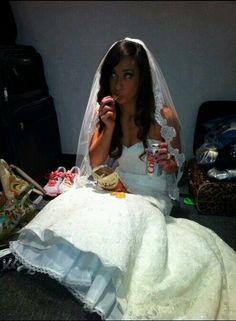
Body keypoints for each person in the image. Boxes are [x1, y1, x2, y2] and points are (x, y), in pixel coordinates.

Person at [4, 38, 236, 320]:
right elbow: (97, 162)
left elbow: (177, 170)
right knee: (74, 203)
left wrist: (170, 162)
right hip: (116, 185)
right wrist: (108, 125)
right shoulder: (106, 112)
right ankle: (77, 266)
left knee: (125, 217)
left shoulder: (162, 117)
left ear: (142, 78)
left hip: (150, 193)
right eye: (113, 75)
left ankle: (106, 276)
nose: (118, 84)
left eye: (127, 75)